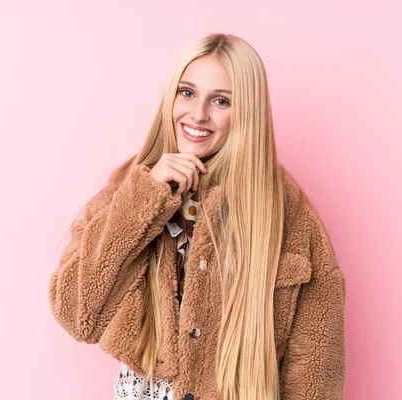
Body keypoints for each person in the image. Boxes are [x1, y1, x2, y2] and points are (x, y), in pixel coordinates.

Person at [48, 33, 346, 400]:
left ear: (247, 112)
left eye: (221, 101)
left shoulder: (287, 214)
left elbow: (316, 368)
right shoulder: (131, 187)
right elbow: (77, 313)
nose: (198, 114)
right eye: (187, 93)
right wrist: (146, 197)